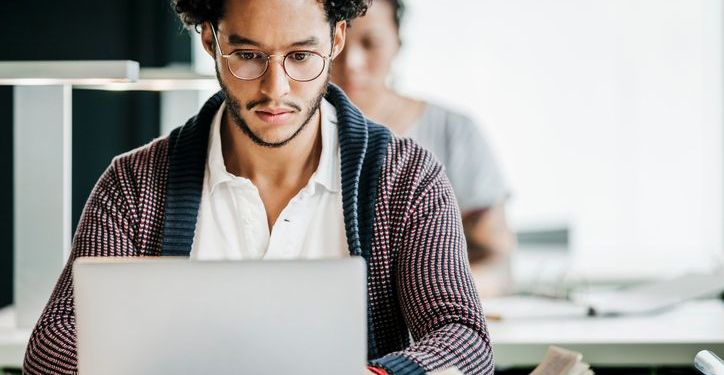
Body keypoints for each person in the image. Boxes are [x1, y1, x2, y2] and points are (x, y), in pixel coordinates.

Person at [23, 0, 494, 374]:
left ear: (336, 38)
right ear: (210, 39)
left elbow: (462, 336)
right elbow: (53, 344)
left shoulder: (406, 178)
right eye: (248, 55)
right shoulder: (134, 183)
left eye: (300, 56)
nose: (276, 88)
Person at [331, 0, 517, 296]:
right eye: (335, 43)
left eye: (371, 43)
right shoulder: (286, 135)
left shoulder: (454, 133)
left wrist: (433, 302)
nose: (351, 61)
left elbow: (499, 262)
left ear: (398, 42)